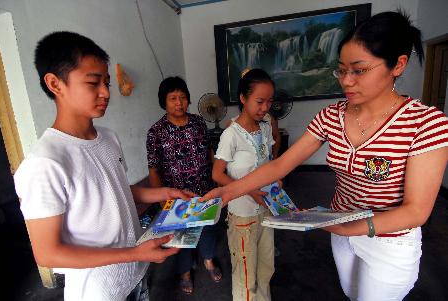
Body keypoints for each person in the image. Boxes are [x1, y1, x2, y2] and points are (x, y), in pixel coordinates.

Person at [202, 11, 448, 301]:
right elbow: (282, 163)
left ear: (398, 65)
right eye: (341, 70)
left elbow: (416, 211)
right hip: (340, 231)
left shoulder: (426, 123)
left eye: (359, 70)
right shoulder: (332, 115)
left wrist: (350, 227)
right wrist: (228, 190)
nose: (346, 81)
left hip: (388, 242)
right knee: (352, 293)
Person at [13, 31, 192, 301]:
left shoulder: (108, 138)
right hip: (99, 291)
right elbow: (47, 252)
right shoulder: (44, 163)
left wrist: (164, 193)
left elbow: (116, 193)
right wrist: (135, 252)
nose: (106, 92)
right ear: (55, 83)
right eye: (93, 82)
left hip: (135, 276)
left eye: (106, 82)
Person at [146, 76, 221, 295]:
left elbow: (209, 153)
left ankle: (208, 260)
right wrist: (163, 203)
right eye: (173, 98)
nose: (179, 103)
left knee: (208, 227)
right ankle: (185, 272)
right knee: (181, 237)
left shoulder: (199, 122)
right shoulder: (156, 132)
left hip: (204, 189)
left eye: (183, 97)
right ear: (164, 102)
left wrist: (217, 180)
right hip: (177, 197)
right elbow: (154, 169)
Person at [212, 68, 275, 301]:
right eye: (259, 101)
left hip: (266, 209)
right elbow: (217, 173)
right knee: (245, 275)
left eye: (269, 101)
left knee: (266, 268)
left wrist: (275, 182)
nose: (265, 107)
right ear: (243, 98)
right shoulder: (232, 134)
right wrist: (250, 191)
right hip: (243, 215)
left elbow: (269, 164)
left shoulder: (266, 128)